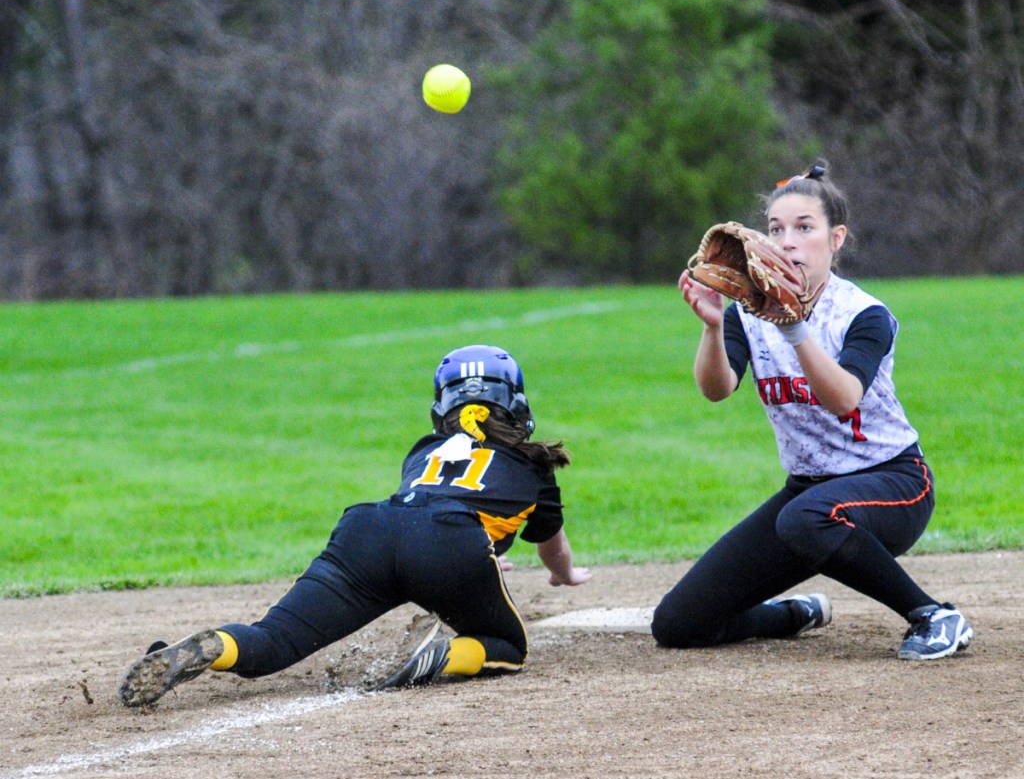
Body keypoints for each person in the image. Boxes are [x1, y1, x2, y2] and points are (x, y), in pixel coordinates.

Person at [119, 344, 592, 707]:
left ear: (441, 408)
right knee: (508, 645)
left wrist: (479, 551)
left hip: (368, 530)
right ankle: (443, 658)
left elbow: (437, 509)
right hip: (450, 546)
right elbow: (549, 546)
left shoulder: (424, 449)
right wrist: (562, 573)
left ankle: (214, 645)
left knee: (272, 642)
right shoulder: (535, 463)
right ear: (517, 403)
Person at [652, 163, 973, 661]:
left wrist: (794, 328)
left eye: (805, 227)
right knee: (679, 623)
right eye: (776, 229)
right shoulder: (747, 312)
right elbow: (717, 389)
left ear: (836, 238)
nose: (788, 241)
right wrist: (713, 327)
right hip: (809, 492)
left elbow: (844, 398)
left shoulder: (863, 314)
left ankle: (933, 614)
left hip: (893, 483)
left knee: (804, 518)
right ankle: (795, 614)